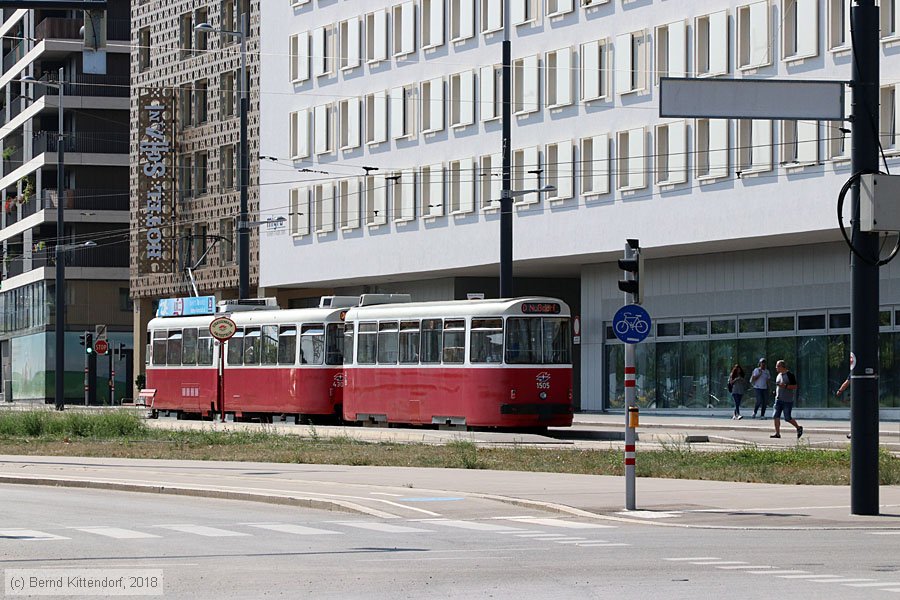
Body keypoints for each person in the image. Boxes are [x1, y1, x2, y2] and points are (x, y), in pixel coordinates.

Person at [770, 359, 803, 439]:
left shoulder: (790, 375)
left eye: (777, 366)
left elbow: (795, 386)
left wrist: (785, 386)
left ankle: (798, 428)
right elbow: (778, 386)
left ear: (782, 366)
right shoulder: (778, 375)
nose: (776, 368)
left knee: (787, 418)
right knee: (775, 416)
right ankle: (777, 434)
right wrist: (776, 392)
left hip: (787, 400)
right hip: (778, 399)